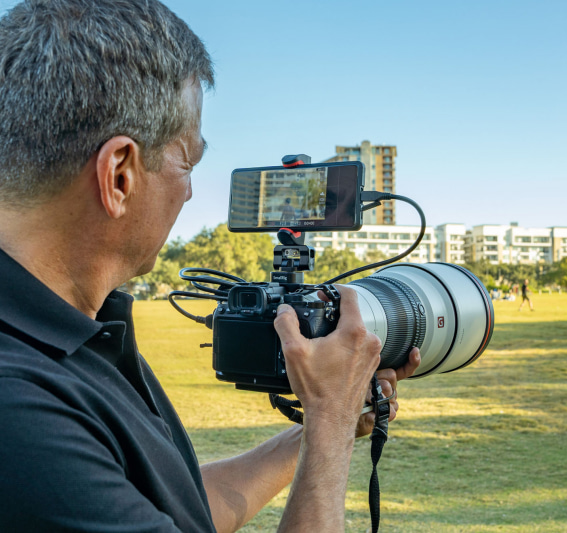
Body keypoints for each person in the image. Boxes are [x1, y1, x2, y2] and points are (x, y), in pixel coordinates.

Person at [0, 1, 420, 531]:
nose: (190, 191)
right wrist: (332, 425)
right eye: (187, 162)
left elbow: (176, 511)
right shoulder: (19, 408)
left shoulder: (72, 332)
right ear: (120, 176)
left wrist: (322, 423)